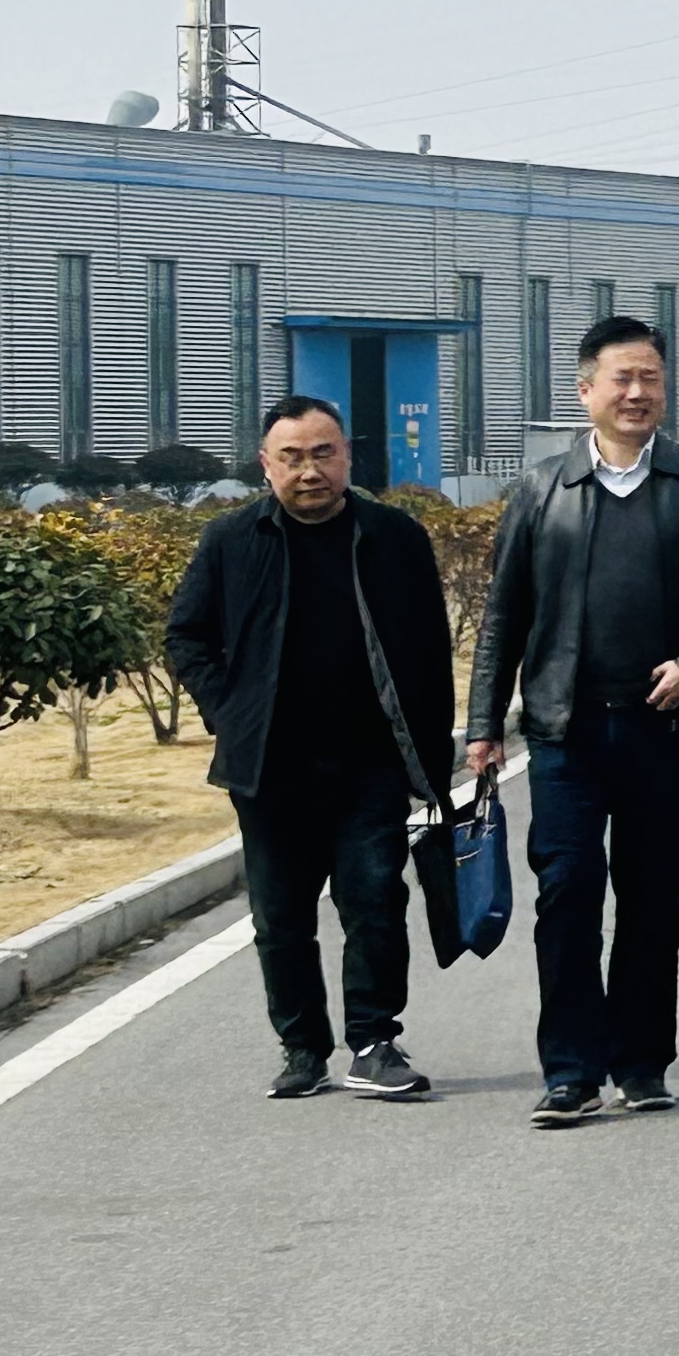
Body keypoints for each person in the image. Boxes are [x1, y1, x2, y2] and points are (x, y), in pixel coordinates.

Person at [464, 315, 679, 1128]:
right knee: (566, 894)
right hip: (564, 733)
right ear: (586, 390)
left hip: (660, 732)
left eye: (651, 379)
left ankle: (641, 1063)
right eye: (622, 379)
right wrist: (482, 724)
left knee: (651, 899)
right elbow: (504, 615)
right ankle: (570, 1071)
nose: (638, 393)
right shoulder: (542, 489)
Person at [164, 395, 457, 1101]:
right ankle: (301, 1048)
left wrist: (431, 763)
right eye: (291, 457)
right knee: (281, 917)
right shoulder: (231, 540)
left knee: (374, 902)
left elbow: (429, 654)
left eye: (323, 453)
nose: (309, 471)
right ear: (265, 465)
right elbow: (187, 637)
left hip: (370, 762)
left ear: (347, 456)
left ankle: (375, 1042)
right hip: (270, 767)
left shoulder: (394, 537)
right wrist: (229, 714)